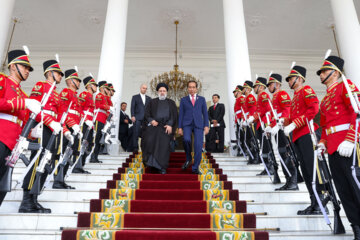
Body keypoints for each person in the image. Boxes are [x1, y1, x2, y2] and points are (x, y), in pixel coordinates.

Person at [316, 55, 360, 238]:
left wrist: (351, 139)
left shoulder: (346, 86)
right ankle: (356, 227)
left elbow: (357, 113)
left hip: (347, 145)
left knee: (356, 186)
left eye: (324, 71)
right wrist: (322, 143)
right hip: (333, 149)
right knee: (343, 189)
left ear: (335, 72)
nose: (321, 75)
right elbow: (325, 127)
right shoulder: (325, 100)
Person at [20, 59, 64, 213]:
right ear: (49, 73)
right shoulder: (41, 85)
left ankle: (34, 198)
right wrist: (49, 122)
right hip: (42, 126)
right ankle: (26, 201)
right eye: (58, 73)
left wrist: (59, 127)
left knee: (46, 164)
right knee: (37, 161)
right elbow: (34, 108)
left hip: (53, 129)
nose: (60, 76)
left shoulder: (56, 93)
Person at [0, 49, 41, 206]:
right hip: (1, 137)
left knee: (2, 187)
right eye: (24, 67)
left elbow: (22, 122)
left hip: (12, 145)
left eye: (28, 68)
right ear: (13, 66)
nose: (27, 71)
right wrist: (23, 103)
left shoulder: (23, 94)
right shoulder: (3, 81)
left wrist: (32, 132)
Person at [283, 65, 326, 215]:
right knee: (306, 171)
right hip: (298, 136)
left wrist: (295, 123)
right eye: (288, 80)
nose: (289, 81)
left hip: (307, 134)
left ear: (300, 79)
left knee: (312, 169)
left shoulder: (306, 90)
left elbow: (313, 109)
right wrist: (285, 121)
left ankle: (321, 202)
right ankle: (314, 202)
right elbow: (295, 116)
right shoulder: (295, 96)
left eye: (291, 79)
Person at [265, 73, 299, 191]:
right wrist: (270, 126)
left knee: (286, 155)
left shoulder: (282, 94)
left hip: (283, 128)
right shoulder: (274, 97)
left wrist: (280, 124)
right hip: (278, 129)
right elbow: (276, 116)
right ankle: (288, 180)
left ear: (277, 84)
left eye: (270, 84)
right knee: (281, 154)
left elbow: (286, 111)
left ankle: (293, 181)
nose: (268, 87)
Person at [52, 68, 82, 189]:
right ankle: (57, 179)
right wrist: (69, 126)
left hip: (75, 127)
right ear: (70, 81)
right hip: (68, 126)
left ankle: (62, 178)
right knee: (62, 152)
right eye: (76, 80)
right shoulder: (66, 92)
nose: (79, 83)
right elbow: (63, 111)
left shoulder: (76, 95)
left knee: (69, 153)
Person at [247, 77, 280, 184]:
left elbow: (265, 108)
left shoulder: (264, 95)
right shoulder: (260, 96)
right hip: (260, 122)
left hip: (265, 122)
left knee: (266, 146)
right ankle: (267, 166)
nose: (254, 88)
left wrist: (254, 116)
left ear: (261, 87)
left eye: (256, 86)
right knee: (263, 146)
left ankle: (270, 167)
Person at [141, 83, 177, 174]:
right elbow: (147, 114)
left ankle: (162, 167)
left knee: (163, 147)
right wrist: (151, 120)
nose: (162, 92)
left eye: (164, 91)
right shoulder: (152, 102)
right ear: (157, 92)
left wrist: (170, 125)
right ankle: (150, 164)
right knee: (149, 141)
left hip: (165, 128)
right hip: (154, 127)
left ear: (166, 92)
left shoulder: (171, 103)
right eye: (160, 91)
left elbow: (175, 116)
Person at [178, 80, 209, 174]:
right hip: (187, 124)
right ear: (187, 89)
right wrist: (180, 127)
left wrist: (206, 125)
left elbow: (205, 113)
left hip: (199, 124)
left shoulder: (202, 99)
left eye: (193, 87)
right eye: (190, 87)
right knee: (186, 139)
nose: (191, 89)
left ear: (196, 88)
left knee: (198, 146)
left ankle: (195, 168)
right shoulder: (183, 100)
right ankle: (188, 158)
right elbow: (181, 114)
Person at [73, 75, 98, 173]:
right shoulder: (84, 94)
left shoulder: (91, 97)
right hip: (84, 122)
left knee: (88, 144)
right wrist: (86, 119)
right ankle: (77, 165)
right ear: (89, 86)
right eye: (94, 85)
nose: (96, 87)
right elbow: (80, 108)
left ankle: (81, 164)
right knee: (82, 144)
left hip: (90, 122)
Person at [90, 81, 110, 163]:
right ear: (102, 88)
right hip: (98, 118)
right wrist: (108, 107)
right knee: (96, 138)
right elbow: (98, 105)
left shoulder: (104, 97)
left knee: (99, 140)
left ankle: (96, 157)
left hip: (102, 119)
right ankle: (92, 156)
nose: (107, 90)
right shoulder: (99, 95)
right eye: (106, 88)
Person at [241, 81, 260, 164]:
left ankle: (256, 157)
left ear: (248, 89)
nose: (242, 90)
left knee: (253, 140)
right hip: (247, 121)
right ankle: (252, 156)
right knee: (248, 140)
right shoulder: (246, 98)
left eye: (244, 88)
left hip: (251, 122)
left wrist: (249, 119)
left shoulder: (250, 97)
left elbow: (252, 110)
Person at [130, 84, 151, 152]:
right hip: (137, 118)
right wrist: (132, 116)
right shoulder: (135, 97)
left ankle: (144, 148)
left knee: (146, 134)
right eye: (143, 88)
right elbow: (132, 107)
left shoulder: (149, 98)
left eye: (146, 88)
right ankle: (135, 148)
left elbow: (150, 109)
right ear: (140, 88)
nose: (144, 89)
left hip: (146, 119)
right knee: (136, 133)